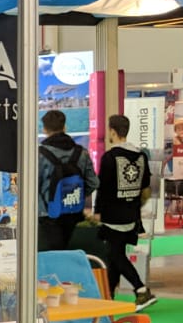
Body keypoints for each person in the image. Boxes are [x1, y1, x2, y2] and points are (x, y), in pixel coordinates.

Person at [90, 113, 153, 306]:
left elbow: (103, 188)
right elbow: (145, 185)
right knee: (115, 255)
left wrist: (97, 211)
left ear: (112, 131)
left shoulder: (109, 158)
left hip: (113, 216)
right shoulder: (141, 156)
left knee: (116, 255)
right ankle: (109, 297)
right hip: (131, 214)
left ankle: (141, 290)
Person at [38, 110, 97, 251]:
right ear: (65, 127)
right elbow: (93, 182)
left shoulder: (39, 154)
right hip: (74, 212)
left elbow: (34, 187)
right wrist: (77, 195)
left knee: (53, 255)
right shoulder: (81, 152)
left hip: (48, 215)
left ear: (44, 129)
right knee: (70, 251)